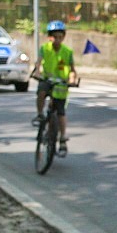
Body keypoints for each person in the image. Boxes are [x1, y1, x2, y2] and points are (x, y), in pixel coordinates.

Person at [31, 20, 78, 156]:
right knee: (41, 93)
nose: (57, 40)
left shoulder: (67, 51)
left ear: (63, 37)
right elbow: (38, 63)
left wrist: (72, 80)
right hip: (47, 80)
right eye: (54, 37)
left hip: (61, 85)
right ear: (49, 37)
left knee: (61, 113)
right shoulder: (44, 49)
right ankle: (40, 115)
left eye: (60, 37)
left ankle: (62, 138)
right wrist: (38, 73)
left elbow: (73, 70)